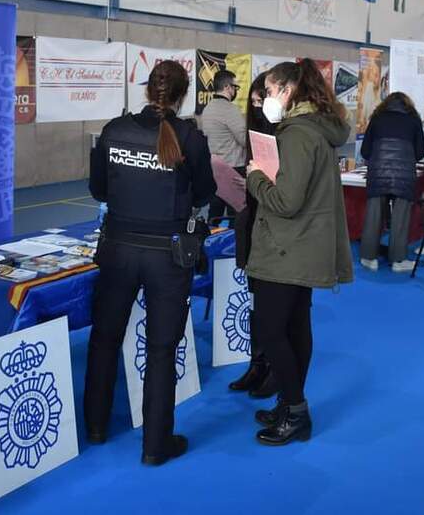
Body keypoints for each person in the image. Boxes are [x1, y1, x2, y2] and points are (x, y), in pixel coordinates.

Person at [84, 60, 216, 466]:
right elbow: (205, 193)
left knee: (105, 339)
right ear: (181, 95)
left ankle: (96, 426)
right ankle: (155, 445)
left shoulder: (114, 130)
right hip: (167, 256)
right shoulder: (190, 137)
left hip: (119, 250)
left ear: (148, 90)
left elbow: (97, 190)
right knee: (161, 349)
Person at [244, 58, 353, 446]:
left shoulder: (297, 135)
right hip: (304, 245)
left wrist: (255, 175)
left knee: (273, 331)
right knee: (295, 328)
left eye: (270, 92)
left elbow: (287, 201)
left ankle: (295, 409)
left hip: (287, 248)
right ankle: (289, 404)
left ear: (287, 91)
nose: (267, 99)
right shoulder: (317, 129)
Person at [230, 72, 279, 399]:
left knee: (273, 307)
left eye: (264, 100)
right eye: (255, 101)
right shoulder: (252, 134)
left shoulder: (286, 136)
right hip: (250, 221)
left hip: (274, 227)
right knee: (254, 302)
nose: (259, 107)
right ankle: (257, 363)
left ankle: (274, 368)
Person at [358, 92, 424, 273]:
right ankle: (398, 260)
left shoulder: (377, 118)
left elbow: (365, 151)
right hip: (403, 176)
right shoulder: (413, 119)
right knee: (400, 218)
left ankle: (369, 258)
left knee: (373, 216)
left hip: (378, 174)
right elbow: (420, 152)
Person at [199, 69, 247, 219]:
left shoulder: (208, 108)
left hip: (214, 169)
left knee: (215, 214)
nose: (235, 91)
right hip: (233, 169)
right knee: (237, 216)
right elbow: (244, 140)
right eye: (235, 87)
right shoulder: (230, 110)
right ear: (227, 87)